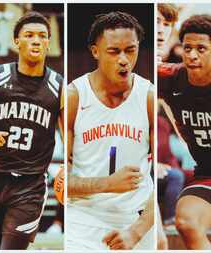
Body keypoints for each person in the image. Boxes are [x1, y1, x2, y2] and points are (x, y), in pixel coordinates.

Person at [67, 11, 155, 250]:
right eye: (114, 51)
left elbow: (166, 174)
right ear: (95, 51)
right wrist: (107, 184)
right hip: (85, 220)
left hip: (138, 221)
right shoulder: (74, 96)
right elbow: (62, 184)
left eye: (131, 50)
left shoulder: (148, 97)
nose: (124, 59)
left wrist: (136, 232)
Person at [0, 11, 63, 249]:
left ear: (48, 42)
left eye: (42, 36)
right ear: (17, 41)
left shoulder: (60, 87)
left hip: (30, 185)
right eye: (29, 35)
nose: (36, 40)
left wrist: (69, 168)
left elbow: (71, 139)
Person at [158, 14, 211, 249]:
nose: (192, 55)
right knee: (186, 223)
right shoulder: (169, 78)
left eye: (201, 49)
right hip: (208, 172)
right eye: (187, 48)